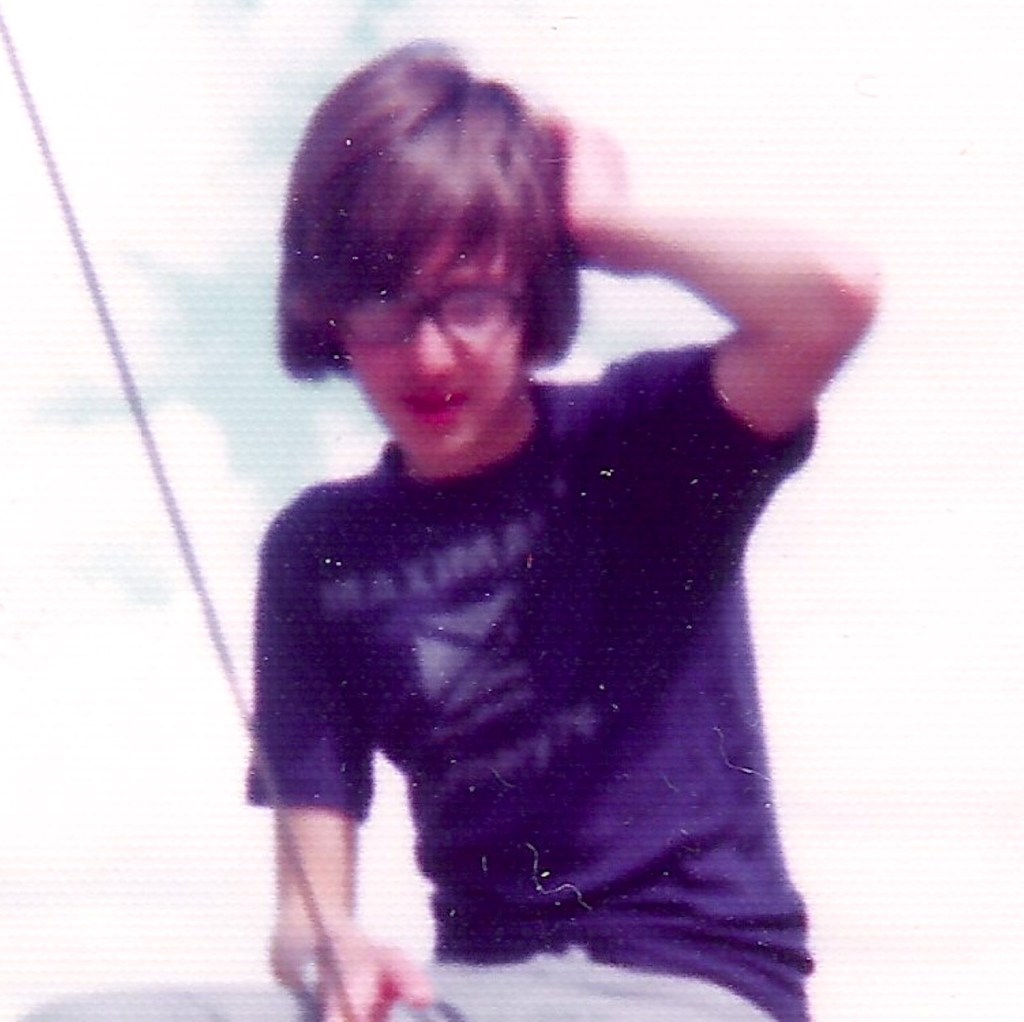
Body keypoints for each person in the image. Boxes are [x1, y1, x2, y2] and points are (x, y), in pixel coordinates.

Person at [25, 39, 877, 1022]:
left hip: (691, 985)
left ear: (533, 295)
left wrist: (608, 227)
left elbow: (836, 296)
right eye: (383, 303)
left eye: (469, 300)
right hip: (469, 993)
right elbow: (304, 911)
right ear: (329, 313)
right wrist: (335, 952)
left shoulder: (640, 441)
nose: (429, 355)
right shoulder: (315, 552)